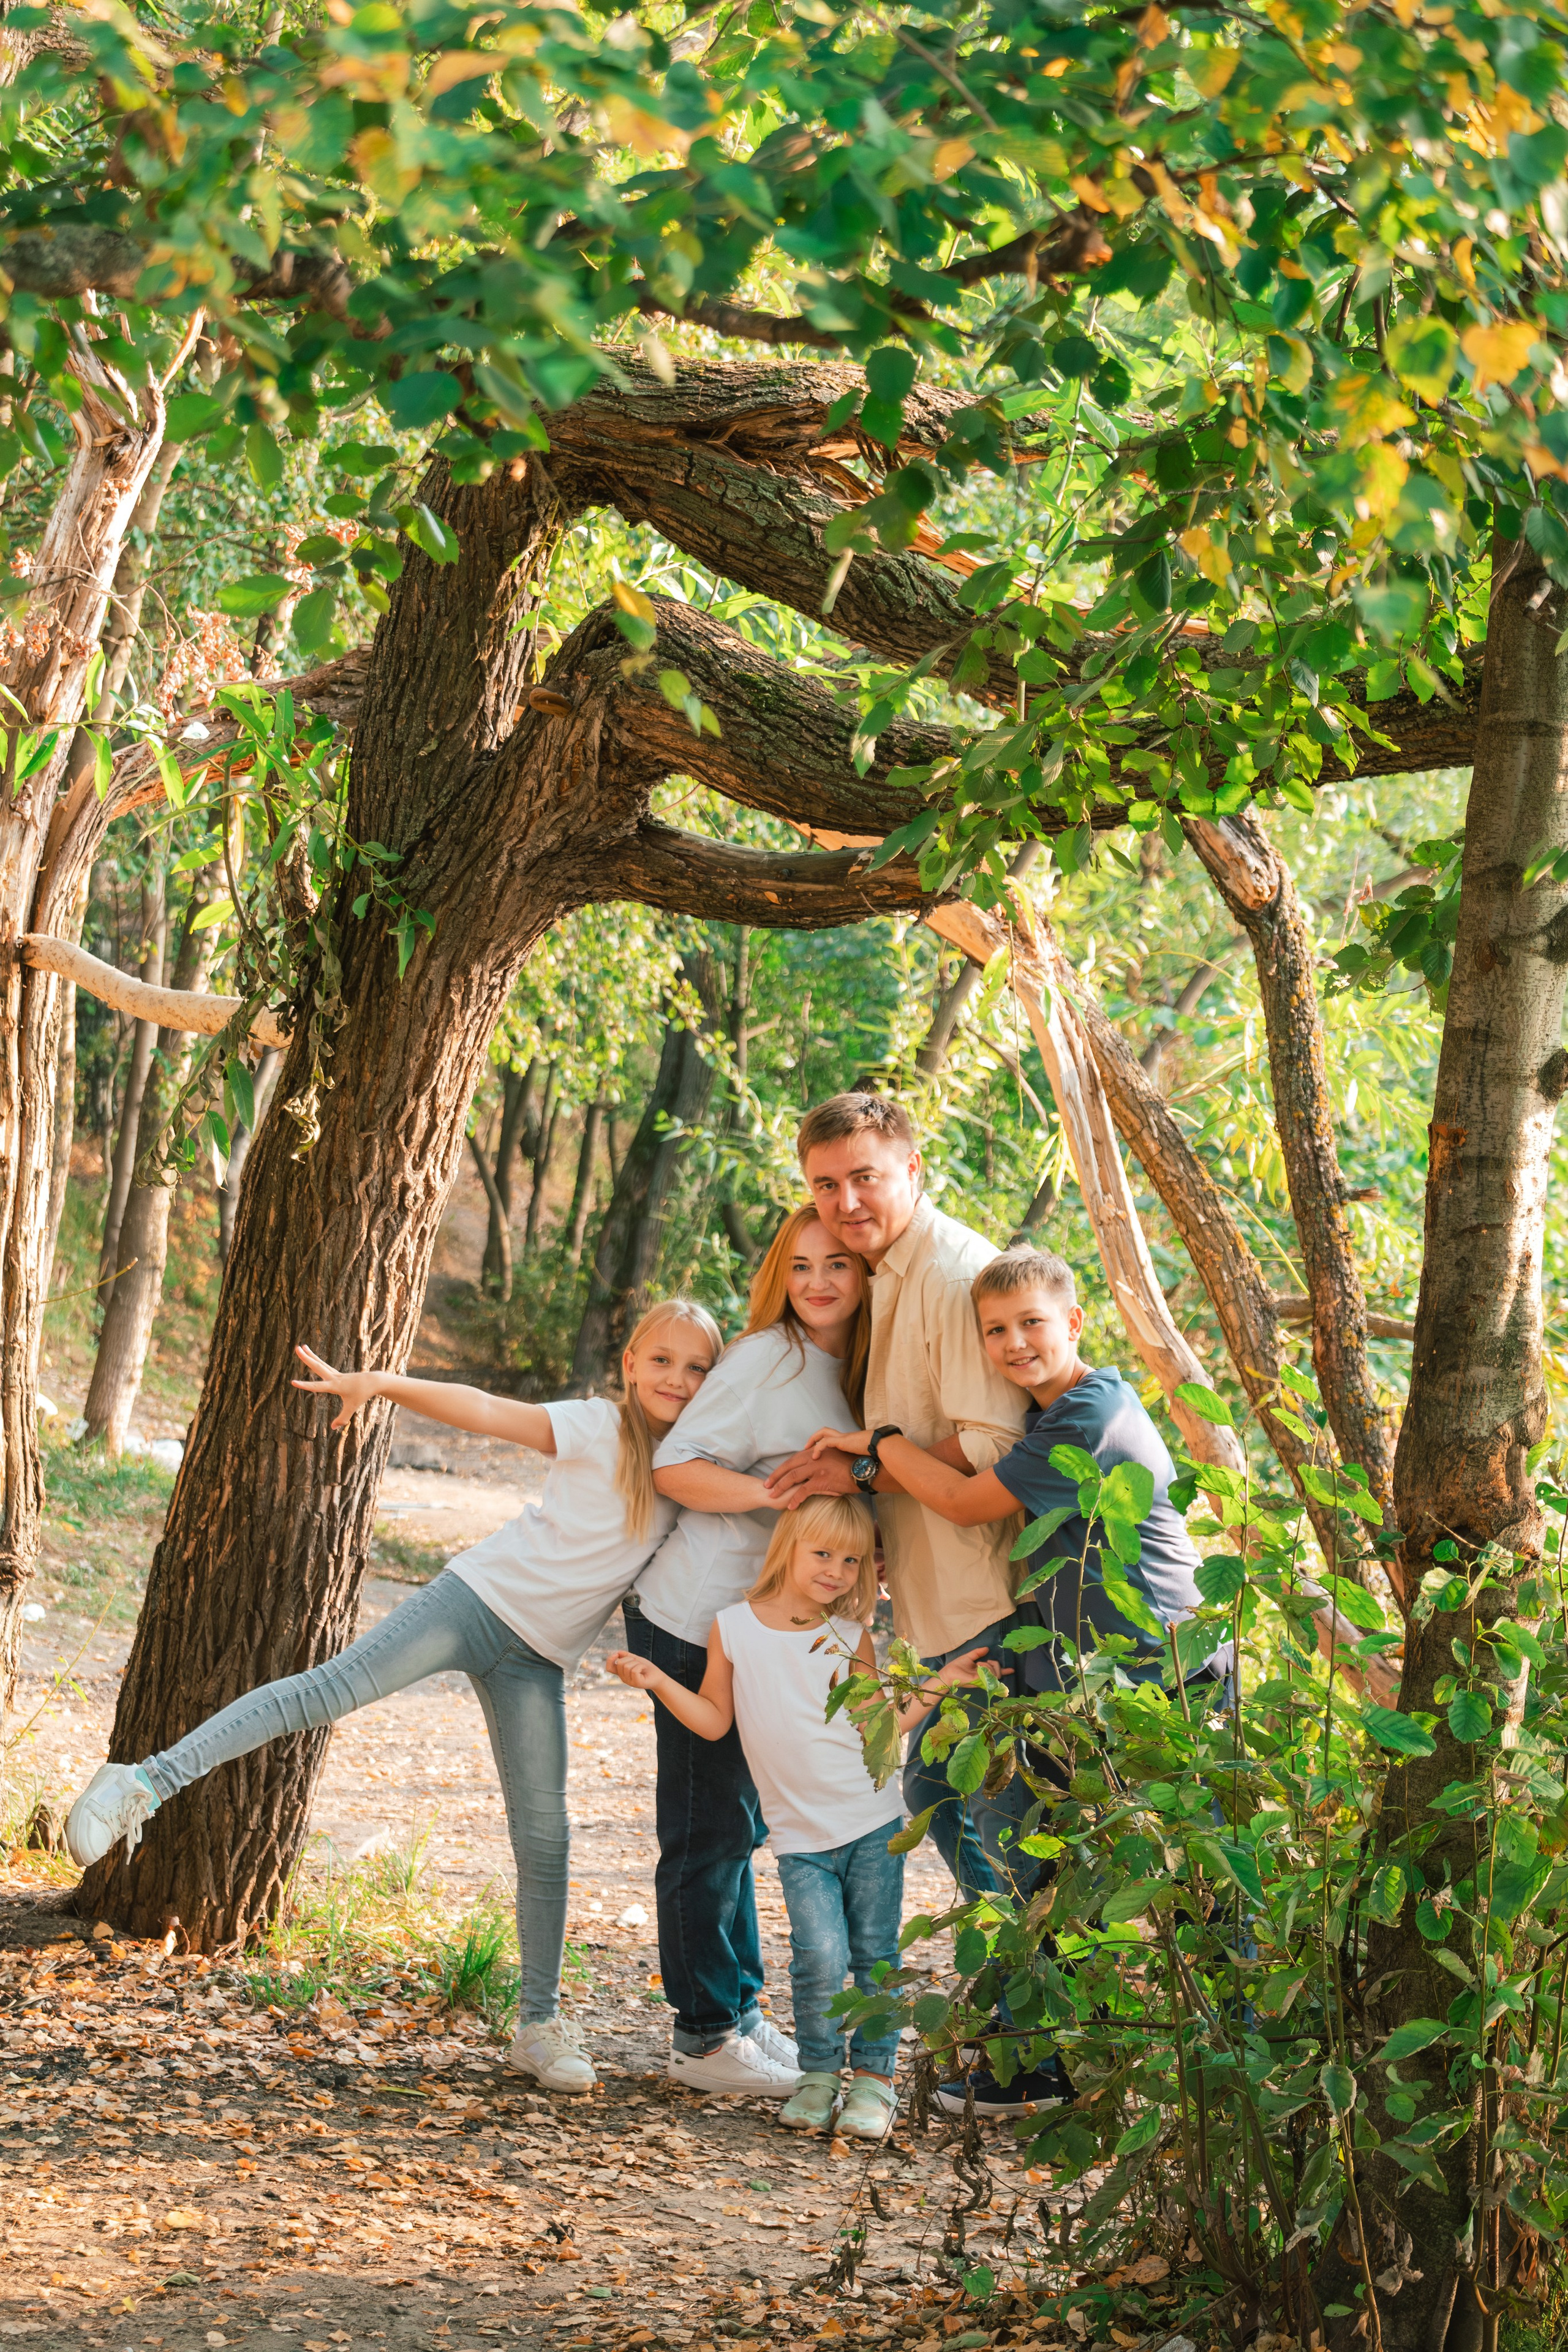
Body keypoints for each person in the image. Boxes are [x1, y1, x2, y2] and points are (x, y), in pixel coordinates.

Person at [63, 1299, 722, 2098]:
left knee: (547, 1838)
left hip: (540, 1662)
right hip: (474, 1601)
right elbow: (484, 1410)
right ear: (629, 1364)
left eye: (698, 1368)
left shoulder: (695, 1474)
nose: (678, 1381)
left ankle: (539, 2026)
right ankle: (140, 1781)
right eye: (663, 1361)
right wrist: (381, 1384)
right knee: (325, 1692)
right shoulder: (596, 1427)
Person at [806, 1244, 1223, 2115]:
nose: (1015, 1343)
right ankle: (1048, 2030)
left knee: (1192, 1868)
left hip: (1163, 1667)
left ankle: (1226, 2059)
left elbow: (961, 1501)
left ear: (1074, 1323)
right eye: (996, 1331)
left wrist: (875, 1449)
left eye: (1032, 1323)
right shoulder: (1040, 1422)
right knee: (946, 1788)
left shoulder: (1093, 1412)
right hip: (1077, 1676)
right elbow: (961, 1470)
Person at [606, 1493, 987, 2138]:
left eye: (851, 1559)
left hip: (869, 1823)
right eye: (822, 1553)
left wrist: (943, 1680)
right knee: (817, 1957)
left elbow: (884, 1732)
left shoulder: (848, 1636)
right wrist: (657, 1681)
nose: (836, 1569)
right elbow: (713, 1719)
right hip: (798, 1836)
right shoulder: (733, 1627)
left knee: (872, 1957)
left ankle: (874, 2082)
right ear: (786, 1548)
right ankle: (817, 2076)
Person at [622, 1204, 870, 2097]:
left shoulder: (864, 1370)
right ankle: (701, 2037)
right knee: (706, 1832)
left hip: (759, 1634)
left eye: (838, 1263)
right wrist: (784, 1504)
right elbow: (676, 1466)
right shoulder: (770, 1357)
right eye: (800, 1265)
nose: (818, 1282)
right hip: (692, 1620)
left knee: (743, 1826)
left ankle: (739, 2012)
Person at [763, 1093, 1029, 1904]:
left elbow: (994, 1445)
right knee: (935, 1795)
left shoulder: (951, 1276)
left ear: (912, 1168)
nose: (844, 1204)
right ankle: (1016, 1999)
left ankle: (1036, 2010)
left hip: (986, 1596)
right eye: (824, 1185)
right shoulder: (885, 1277)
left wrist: (868, 1471)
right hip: (932, 1598)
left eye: (865, 1178)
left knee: (999, 1828)